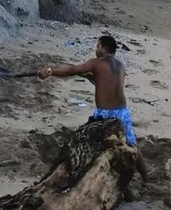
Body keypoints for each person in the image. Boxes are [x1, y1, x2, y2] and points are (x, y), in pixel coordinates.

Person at [37, 35, 149, 181]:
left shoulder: (96, 63)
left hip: (105, 115)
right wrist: (94, 78)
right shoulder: (120, 66)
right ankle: (145, 178)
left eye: (98, 46)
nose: (96, 50)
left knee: (89, 143)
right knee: (132, 145)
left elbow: (73, 69)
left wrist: (50, 71)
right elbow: (109, 84)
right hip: (122, 111)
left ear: (105, 48)